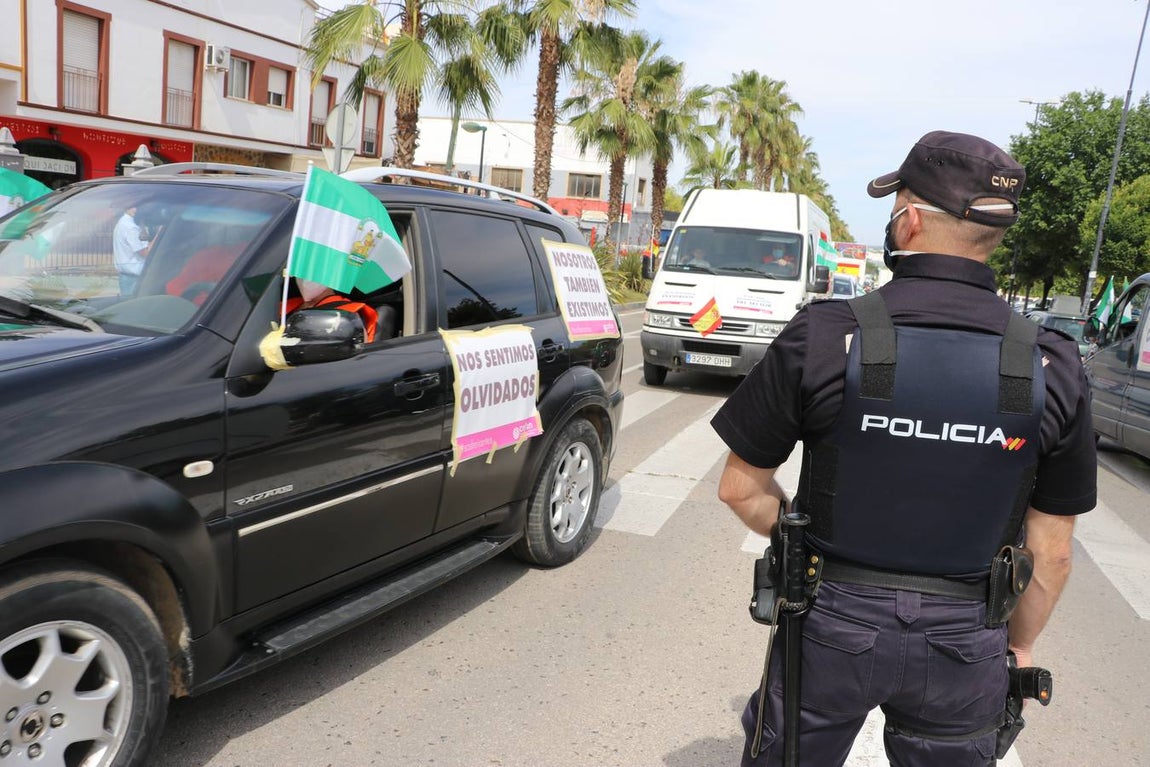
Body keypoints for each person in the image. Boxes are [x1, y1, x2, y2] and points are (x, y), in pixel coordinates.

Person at [712, 130, 1096, 766]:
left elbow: (739, 488)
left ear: (909, 221)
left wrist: (804, 544)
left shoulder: (825, 334)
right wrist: (1019, 647)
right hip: (967, 641)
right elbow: (1052, 551)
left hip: (830, 624)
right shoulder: (1050, 364)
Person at [283, 280, 379, 343]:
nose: (307, 277)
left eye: (316, 270)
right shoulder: (283, 304)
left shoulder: (348, 313)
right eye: (303, 269)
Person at [112, 205, 156, 295]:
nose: (136, 210)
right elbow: (146, 253)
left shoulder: (124, 222)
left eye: (138, 206)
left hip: (128, 275)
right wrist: (160, 234)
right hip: (134, 278)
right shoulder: (130, 227)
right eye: (133, 206)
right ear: (126, 207)